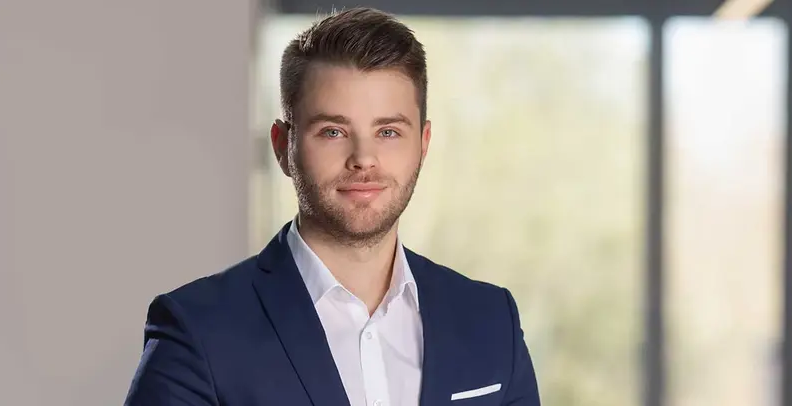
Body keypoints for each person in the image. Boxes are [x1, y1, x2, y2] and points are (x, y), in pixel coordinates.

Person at [123, 7, 540, 406]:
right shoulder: (198, 330)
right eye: (333, 131)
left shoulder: (491, 322)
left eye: (389, 132)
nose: (364, 159)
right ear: (282, 147)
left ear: (423, 144)